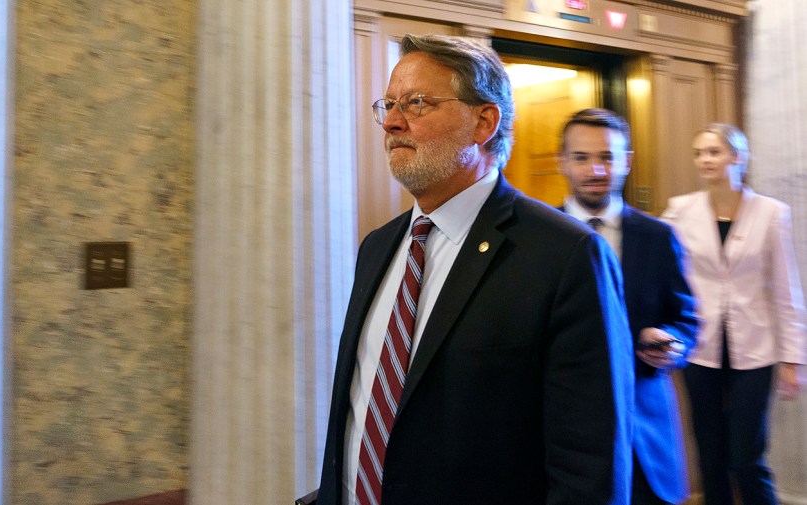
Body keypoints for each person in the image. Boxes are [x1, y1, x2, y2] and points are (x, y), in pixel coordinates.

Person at [316, 34, 634, 505]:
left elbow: (589, 463)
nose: (392, 122)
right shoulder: (378, 247)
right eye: (387, 104)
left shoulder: (566, 256)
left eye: (417, 103)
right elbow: (359, 411)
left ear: (484, 121)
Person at [557, 108, 699, 505]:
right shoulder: (540, 236)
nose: (596, 170)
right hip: (565, 438)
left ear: (627, 162)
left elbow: (687, 319)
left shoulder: (658, 237)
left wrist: (672, 340)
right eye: (582, 158)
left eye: (607, 157)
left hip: (644, 434)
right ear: (563, 162)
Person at [661, 123, 806, 505]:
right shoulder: (679, 211)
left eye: (713, 152)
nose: (704, 161)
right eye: (699, 153)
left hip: (757, 350)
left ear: (737, 157)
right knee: (709, 453)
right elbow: (658, 264)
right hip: (700, 348)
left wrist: (793, 359)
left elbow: (786, 289)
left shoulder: (772, 213)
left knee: (745, 456)